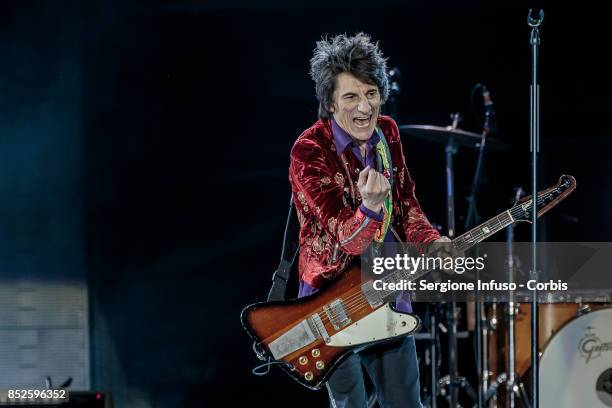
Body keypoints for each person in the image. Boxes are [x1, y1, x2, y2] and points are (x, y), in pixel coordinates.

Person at [288, 33, 448, 408]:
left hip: (387, 288)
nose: (365, 107)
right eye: (351, 97)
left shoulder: (387, 134)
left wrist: (431, 241)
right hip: (331, 300)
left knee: (406, 401)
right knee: (351, 404)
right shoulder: (309, 150)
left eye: (371, 93)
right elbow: (347, 240)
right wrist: (370, 208)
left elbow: (407, 205)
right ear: (329, 103)